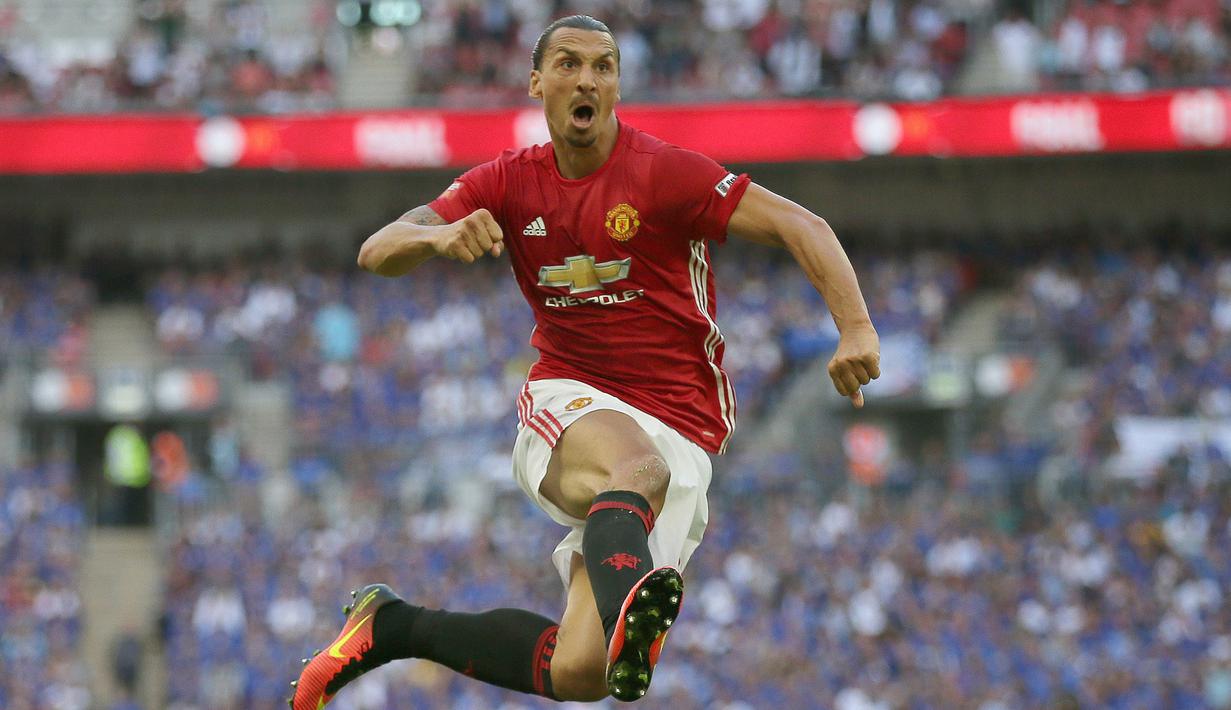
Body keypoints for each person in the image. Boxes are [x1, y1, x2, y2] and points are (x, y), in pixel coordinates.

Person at [291, 14, 880, 708]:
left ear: (617, 87)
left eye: (603, 67)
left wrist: (855, 328)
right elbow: (378, 249)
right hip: (573, 397)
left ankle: (391, 627)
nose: (587, 79)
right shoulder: (507, 182)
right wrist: (437, 237)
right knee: (639, 471)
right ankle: (629, 598)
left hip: (683, 430)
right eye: (568, 63)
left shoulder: (662, 172)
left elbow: (800, 224)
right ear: (536, 82)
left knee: (581, 674)